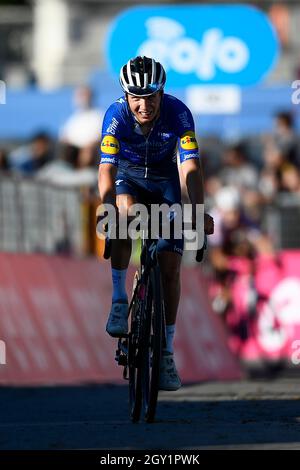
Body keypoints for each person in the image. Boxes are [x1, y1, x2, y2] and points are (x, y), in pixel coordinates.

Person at [98, 56, 214, 391]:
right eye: (136, 97)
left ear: (162, 93)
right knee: (122, 216)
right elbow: (106, 169)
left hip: (165, 185)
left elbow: (190, 167)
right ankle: (120, 300)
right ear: (126, 95)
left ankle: (165, 352)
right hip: (128, 181)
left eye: (150, 96)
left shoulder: (179, 114)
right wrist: (106, 208)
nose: (143, 104)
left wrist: (197, 208)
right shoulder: (115, 115)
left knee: (170, 268)